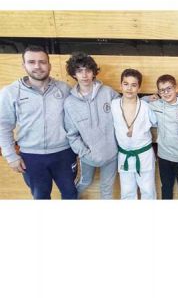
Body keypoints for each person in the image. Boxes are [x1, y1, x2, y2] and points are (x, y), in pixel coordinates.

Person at [0, 45, 77, 199]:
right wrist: (11, 156)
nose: (37, 66)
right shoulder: (10, 92)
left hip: (64, 154)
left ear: (49, 65)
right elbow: (3, 126)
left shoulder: (64, 89)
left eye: (42, 62)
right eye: (31, 62)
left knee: (71, 194)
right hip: (31, 157)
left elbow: (76, 120)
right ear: (24, 65)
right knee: (40, 196)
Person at [64, 52, 119, 199]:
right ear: (74, 74)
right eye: (79, 71)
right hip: (87, 157)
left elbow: (126, 104)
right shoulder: (70, 103)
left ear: (94, 72)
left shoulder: (108, 92)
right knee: (84, 182)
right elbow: (72, 134)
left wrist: (146, 100)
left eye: (88, 70)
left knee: (107, 189)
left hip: (111, 155)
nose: (84, 75)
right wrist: (84, 153)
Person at [111, 68, 157, 200]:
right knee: (127, 193)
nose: (129, 88)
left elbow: (160, 122)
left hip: (144, 155)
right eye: (126, 84)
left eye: (134, 85)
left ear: (139, 87)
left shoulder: (146, 107)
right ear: (121, 85)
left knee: (148, 191)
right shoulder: (114, 105)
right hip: (124, 154)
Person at [145, 74, 178, 199]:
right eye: (162, 90)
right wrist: (148, 98)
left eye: (169, 88)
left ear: (176, 88)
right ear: (158, 92)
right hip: (163, 156)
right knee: (166, 187)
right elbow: (138, 103)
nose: (166, 93)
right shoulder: (156, 105)